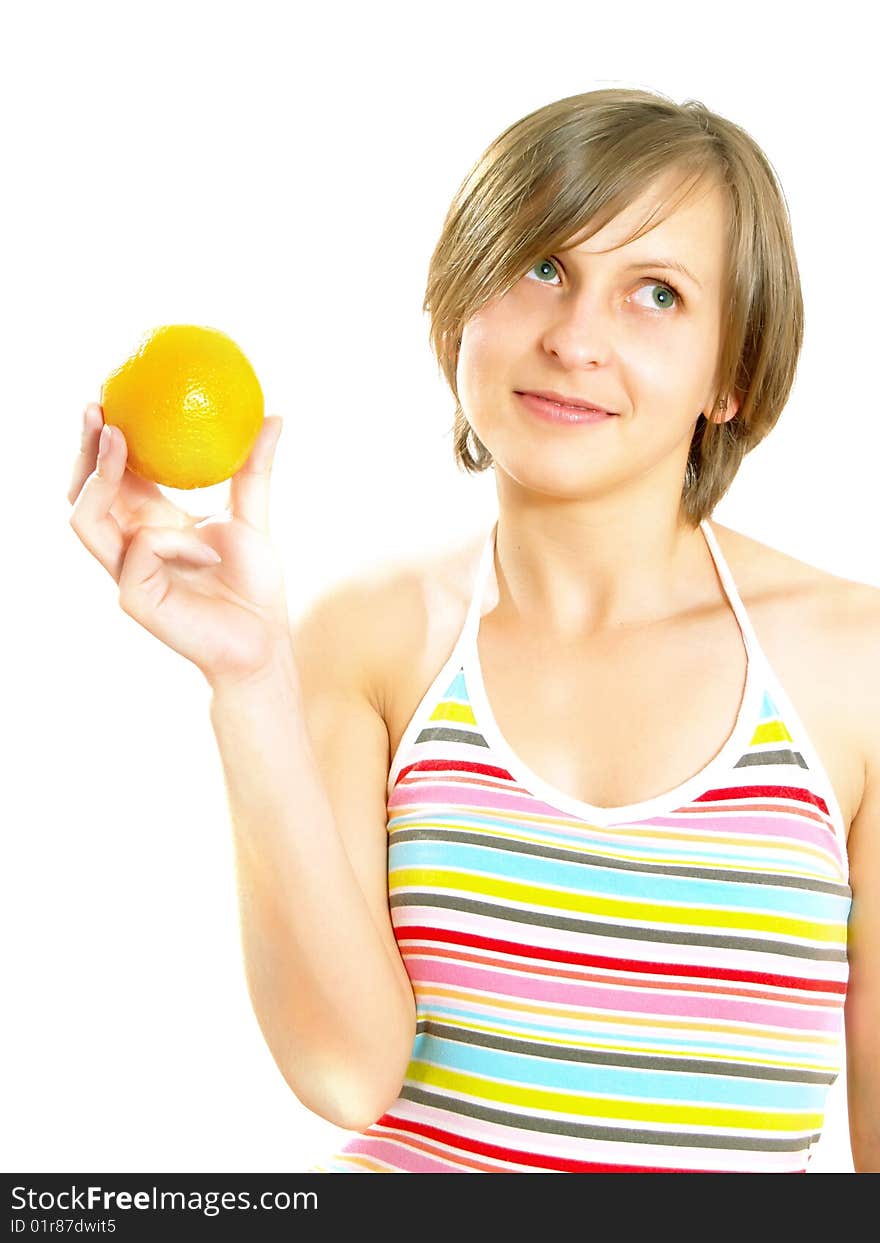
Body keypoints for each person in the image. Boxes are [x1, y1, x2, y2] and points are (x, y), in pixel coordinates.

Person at [67, 86, 880, 1174]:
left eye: (654, 293)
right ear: (459, 308)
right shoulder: (366, 638)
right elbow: (347, 1074)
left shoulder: (851, 662)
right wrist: (250, 682)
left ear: (731, 376)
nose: (575, 337)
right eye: (542, 265)